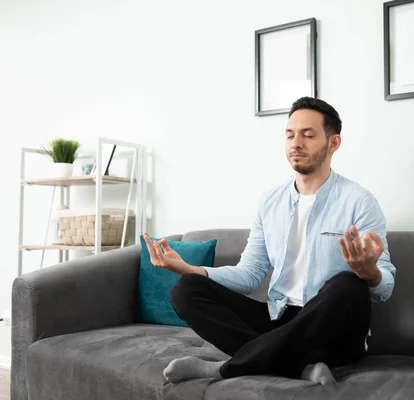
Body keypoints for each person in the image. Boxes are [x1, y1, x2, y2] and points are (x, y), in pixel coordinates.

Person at [142, 97, 396, 385]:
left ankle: (226, 369)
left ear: (333, 143)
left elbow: (384, 288)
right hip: (279, 318)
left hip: (333, 328)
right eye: (290, 134)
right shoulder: (270, 202)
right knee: (186, 289)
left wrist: (369, 273)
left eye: (308, 135)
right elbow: (249, 274)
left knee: (348, 285)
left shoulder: (359, 202)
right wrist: (188, 268)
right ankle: (299, 367)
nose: (296, 143)